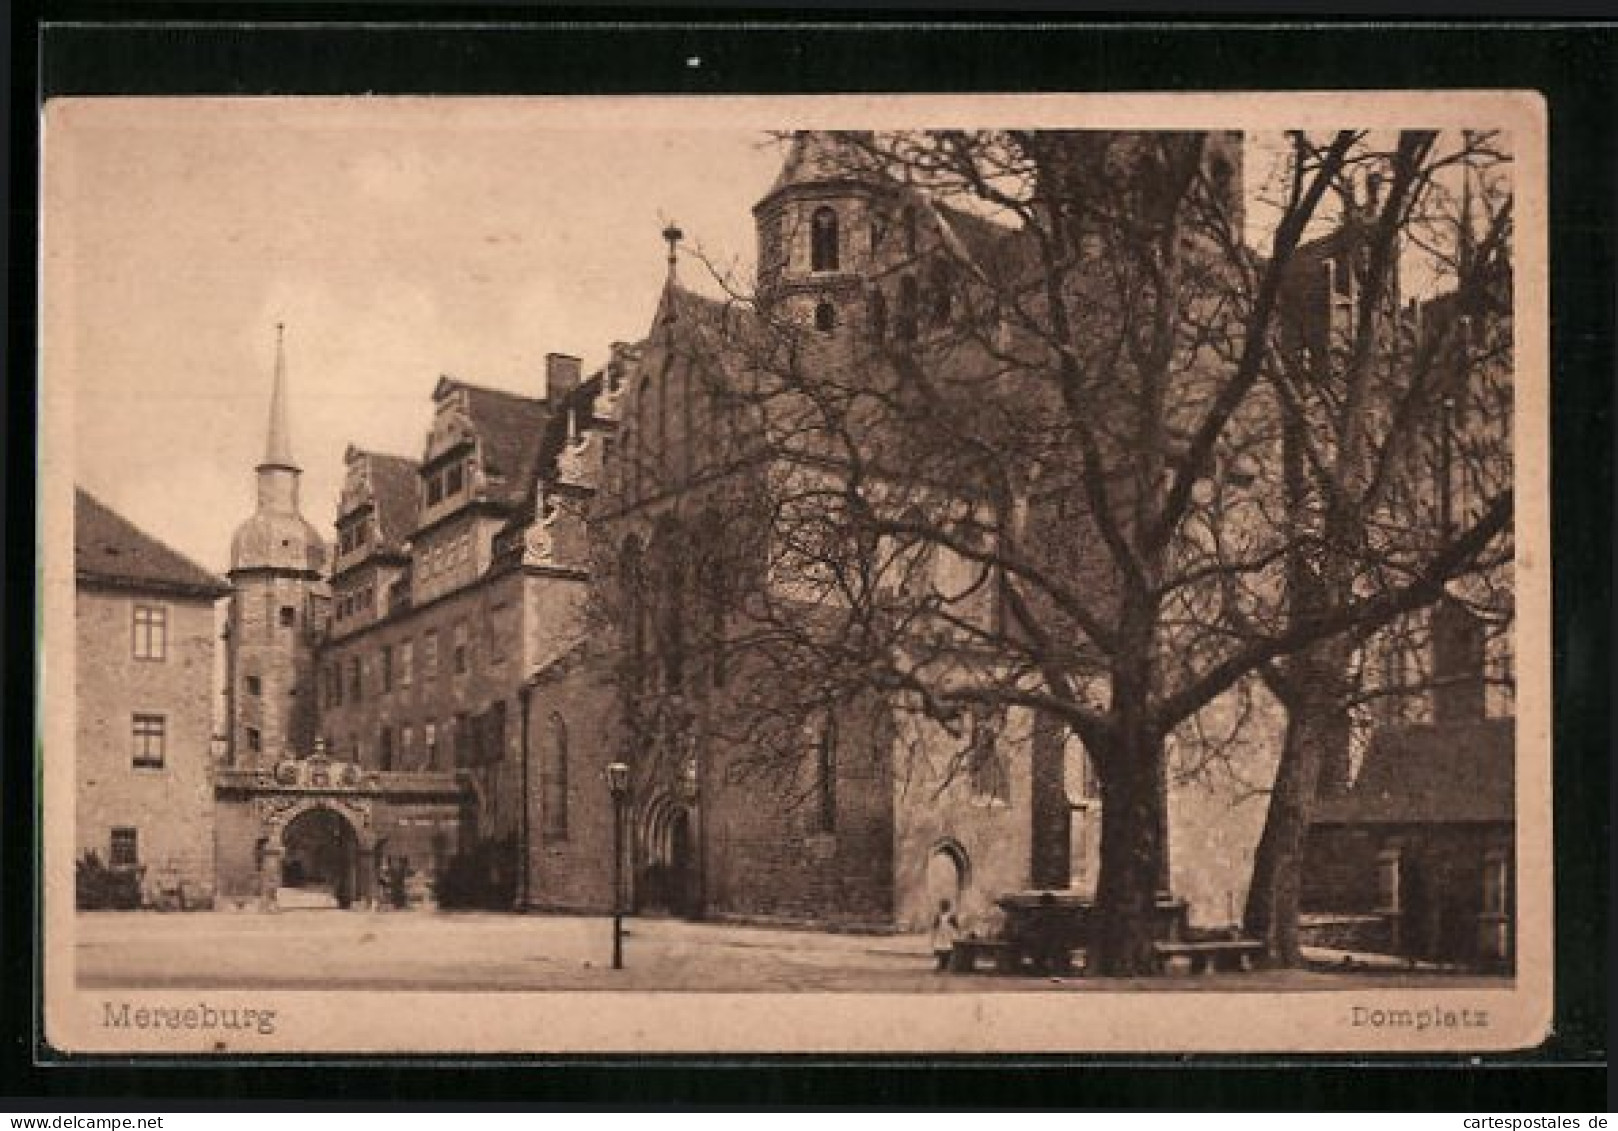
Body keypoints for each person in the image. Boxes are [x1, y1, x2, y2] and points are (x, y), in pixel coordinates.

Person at [931, 898, 961, 971]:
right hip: (941, 934)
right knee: (941, 948)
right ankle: (942, 964)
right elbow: (935, 926)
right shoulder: (939, 916)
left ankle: (945, 964)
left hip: (948, 934)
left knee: (948, 948)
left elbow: (956, 926)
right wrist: (934, 935)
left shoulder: (951, 916)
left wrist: (956, 933)